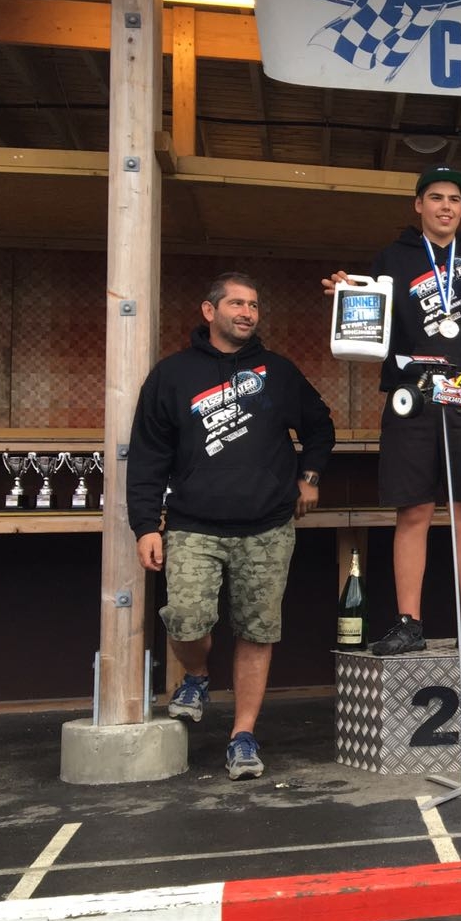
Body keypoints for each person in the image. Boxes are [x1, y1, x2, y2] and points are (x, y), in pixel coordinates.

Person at [128, 272, 335, 781]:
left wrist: (309, 477)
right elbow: (149, 456)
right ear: (209, 310)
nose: (247, 313)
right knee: (185, 619)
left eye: (254, 305)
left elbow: (319, 425)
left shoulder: (278, 371)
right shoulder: (172, 375)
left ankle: (242, 736)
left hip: (267, 526)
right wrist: (145, 525)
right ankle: (197, 674)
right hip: (193, 525)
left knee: (256, 632)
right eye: (237, 304)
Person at [323, 166, 461, 657]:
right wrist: (351, 292)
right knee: (413, 510)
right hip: (410, 397)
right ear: (418, 205)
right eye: (436, 197)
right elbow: (374, 315)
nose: (446, 206)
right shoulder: (392, 258)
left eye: (454, 199)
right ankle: (408, 623)